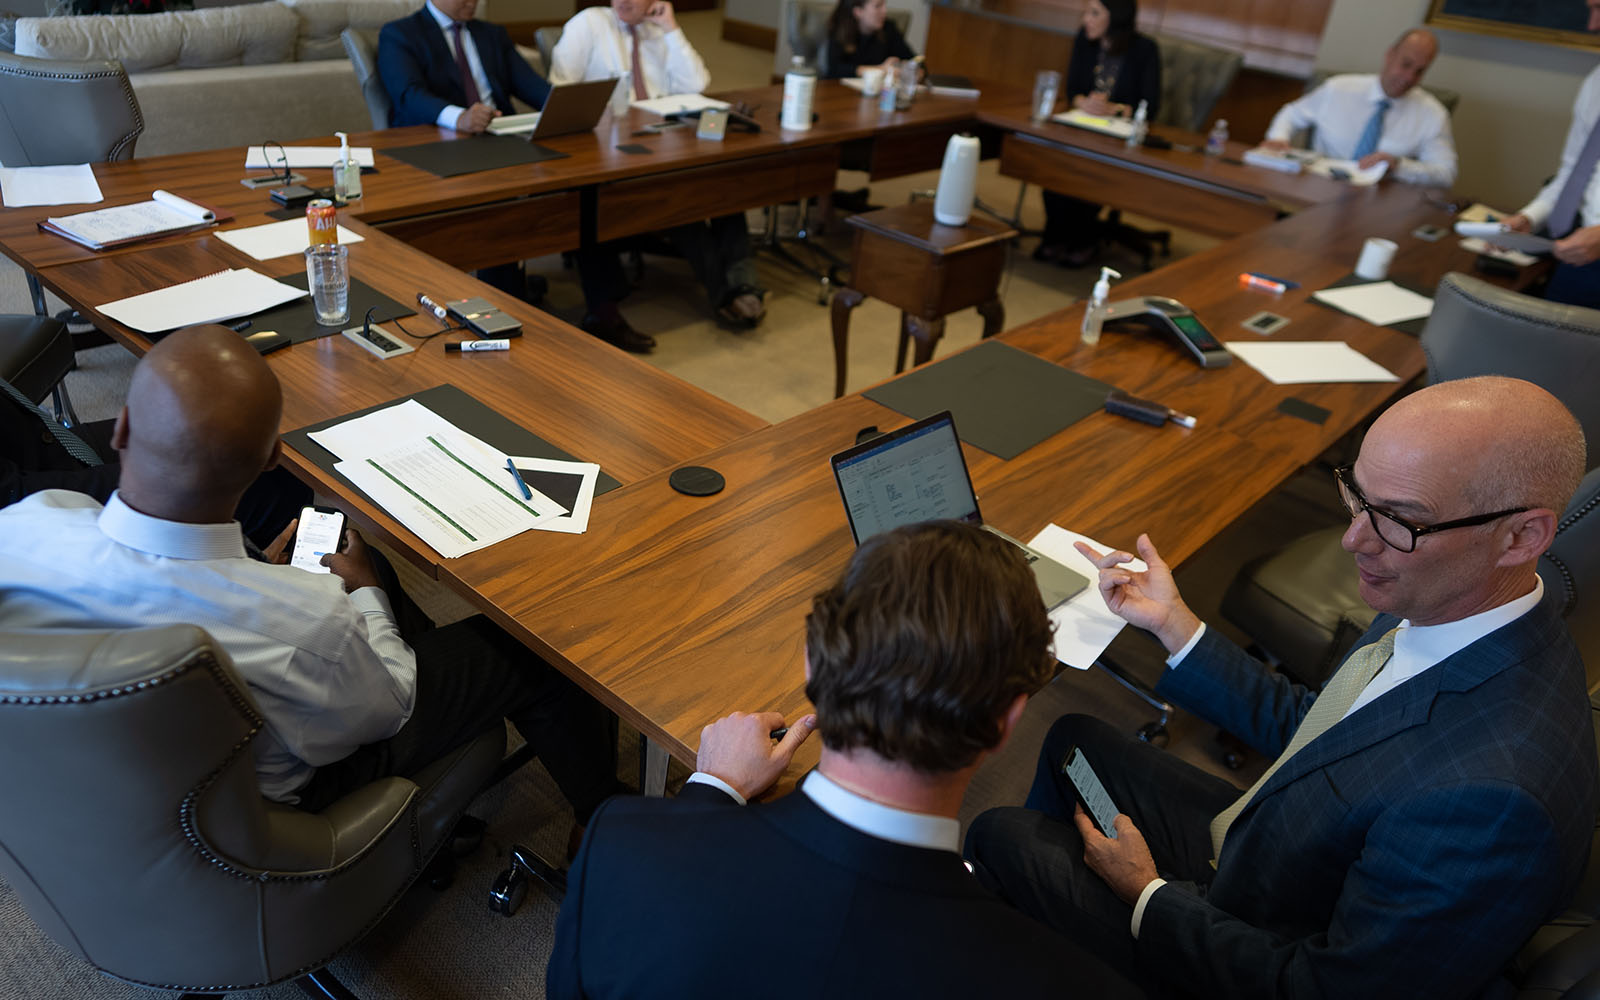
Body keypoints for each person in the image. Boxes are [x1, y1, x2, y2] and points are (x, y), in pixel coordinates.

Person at [965, 376, 1597, 999]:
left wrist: (1146, 896)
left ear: (1522, 536)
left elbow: (1321, 989)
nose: (1354, 540)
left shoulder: (1492, 803)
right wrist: (1173, 623)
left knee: (1001, 834)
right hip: (1277, 853)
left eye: (1400, 520)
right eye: (1357, 497)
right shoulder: (1450, 601)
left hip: (1270, 944)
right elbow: (1323, 727)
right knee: (1074, 740)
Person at [0, 325, 616, 847]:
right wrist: (366, 592)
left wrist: (260, 580)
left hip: (106, 799)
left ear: (121, 427)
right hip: (268, 813)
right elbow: (392, 701)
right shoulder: (306, 622)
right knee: (540, 639)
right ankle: (606, 827)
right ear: (272, 459)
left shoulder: (25, 526)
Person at [547, 520, 1139, 999]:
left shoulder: (621, 846)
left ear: (811, 662)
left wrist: (711, 789)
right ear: (1008, 719)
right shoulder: (1060, 980)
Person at [378, 0, 652, 352]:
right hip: (439, 147)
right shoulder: (400, 33)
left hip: (503, 140)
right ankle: (502, 320)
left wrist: (572, 107)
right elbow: (407, 94)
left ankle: (603, 310)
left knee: (582, 187)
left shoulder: (491, 34)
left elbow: (533, 88)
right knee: (500, 207)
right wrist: (457, 116)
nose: (473, 0)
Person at [549, 0, 767, 329]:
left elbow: (696, 85)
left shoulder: (657, 30)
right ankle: (725, 295)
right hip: (610, 150)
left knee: (724, 185)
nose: (623, 1)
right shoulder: (589, 24)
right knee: (682, 202)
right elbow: (561, 92)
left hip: (665, 141)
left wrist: (670, 28)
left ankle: (744, 282)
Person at [0, 371, 306, 549]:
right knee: (247, 464)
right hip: (33, 494)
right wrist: (149, 475)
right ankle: (265, 563)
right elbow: (10, 495)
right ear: (124, 433)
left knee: (196, 420)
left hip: (38, 445)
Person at [1034, 0, 1161, 268]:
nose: (1085, 20)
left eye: (1094, 13)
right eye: (1086, 12)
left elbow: (1150, 106)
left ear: (1115, 17)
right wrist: (1083, 102)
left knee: (1091, 176)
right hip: (1081, 127)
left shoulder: (1145, 50)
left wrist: (1113, 109)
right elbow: (1073, 90)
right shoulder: (1085, 41)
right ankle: (1055, 237)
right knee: (1054, 169)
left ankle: (1082, 242)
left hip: (1117, 138)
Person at [1261, 28, 1457, 188]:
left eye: (1420, 71)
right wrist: (1278, 137)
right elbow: (1292, 113)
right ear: (1389, 55)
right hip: (1320, 185)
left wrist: (1399, 166)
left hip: (1379, 200)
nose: (1409, 78)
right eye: (1406, 64)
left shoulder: (1433, 113)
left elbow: (1446, 174)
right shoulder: (1338, 88)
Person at [1501, 0, 1600, 308]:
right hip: (1580, 254)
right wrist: (1531, 217)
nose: (1592, 25)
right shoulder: (1596, 82)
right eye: (1591, 10)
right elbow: (1574, 172)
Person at [817, 0, 914, 80]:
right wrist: (881, 70)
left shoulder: (888, 28)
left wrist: (914, 71)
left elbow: (913, 59)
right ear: (858, 11)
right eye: (878, 6)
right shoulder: (838, 29)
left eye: (884, 5)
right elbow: (834, 69)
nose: (885, 11)